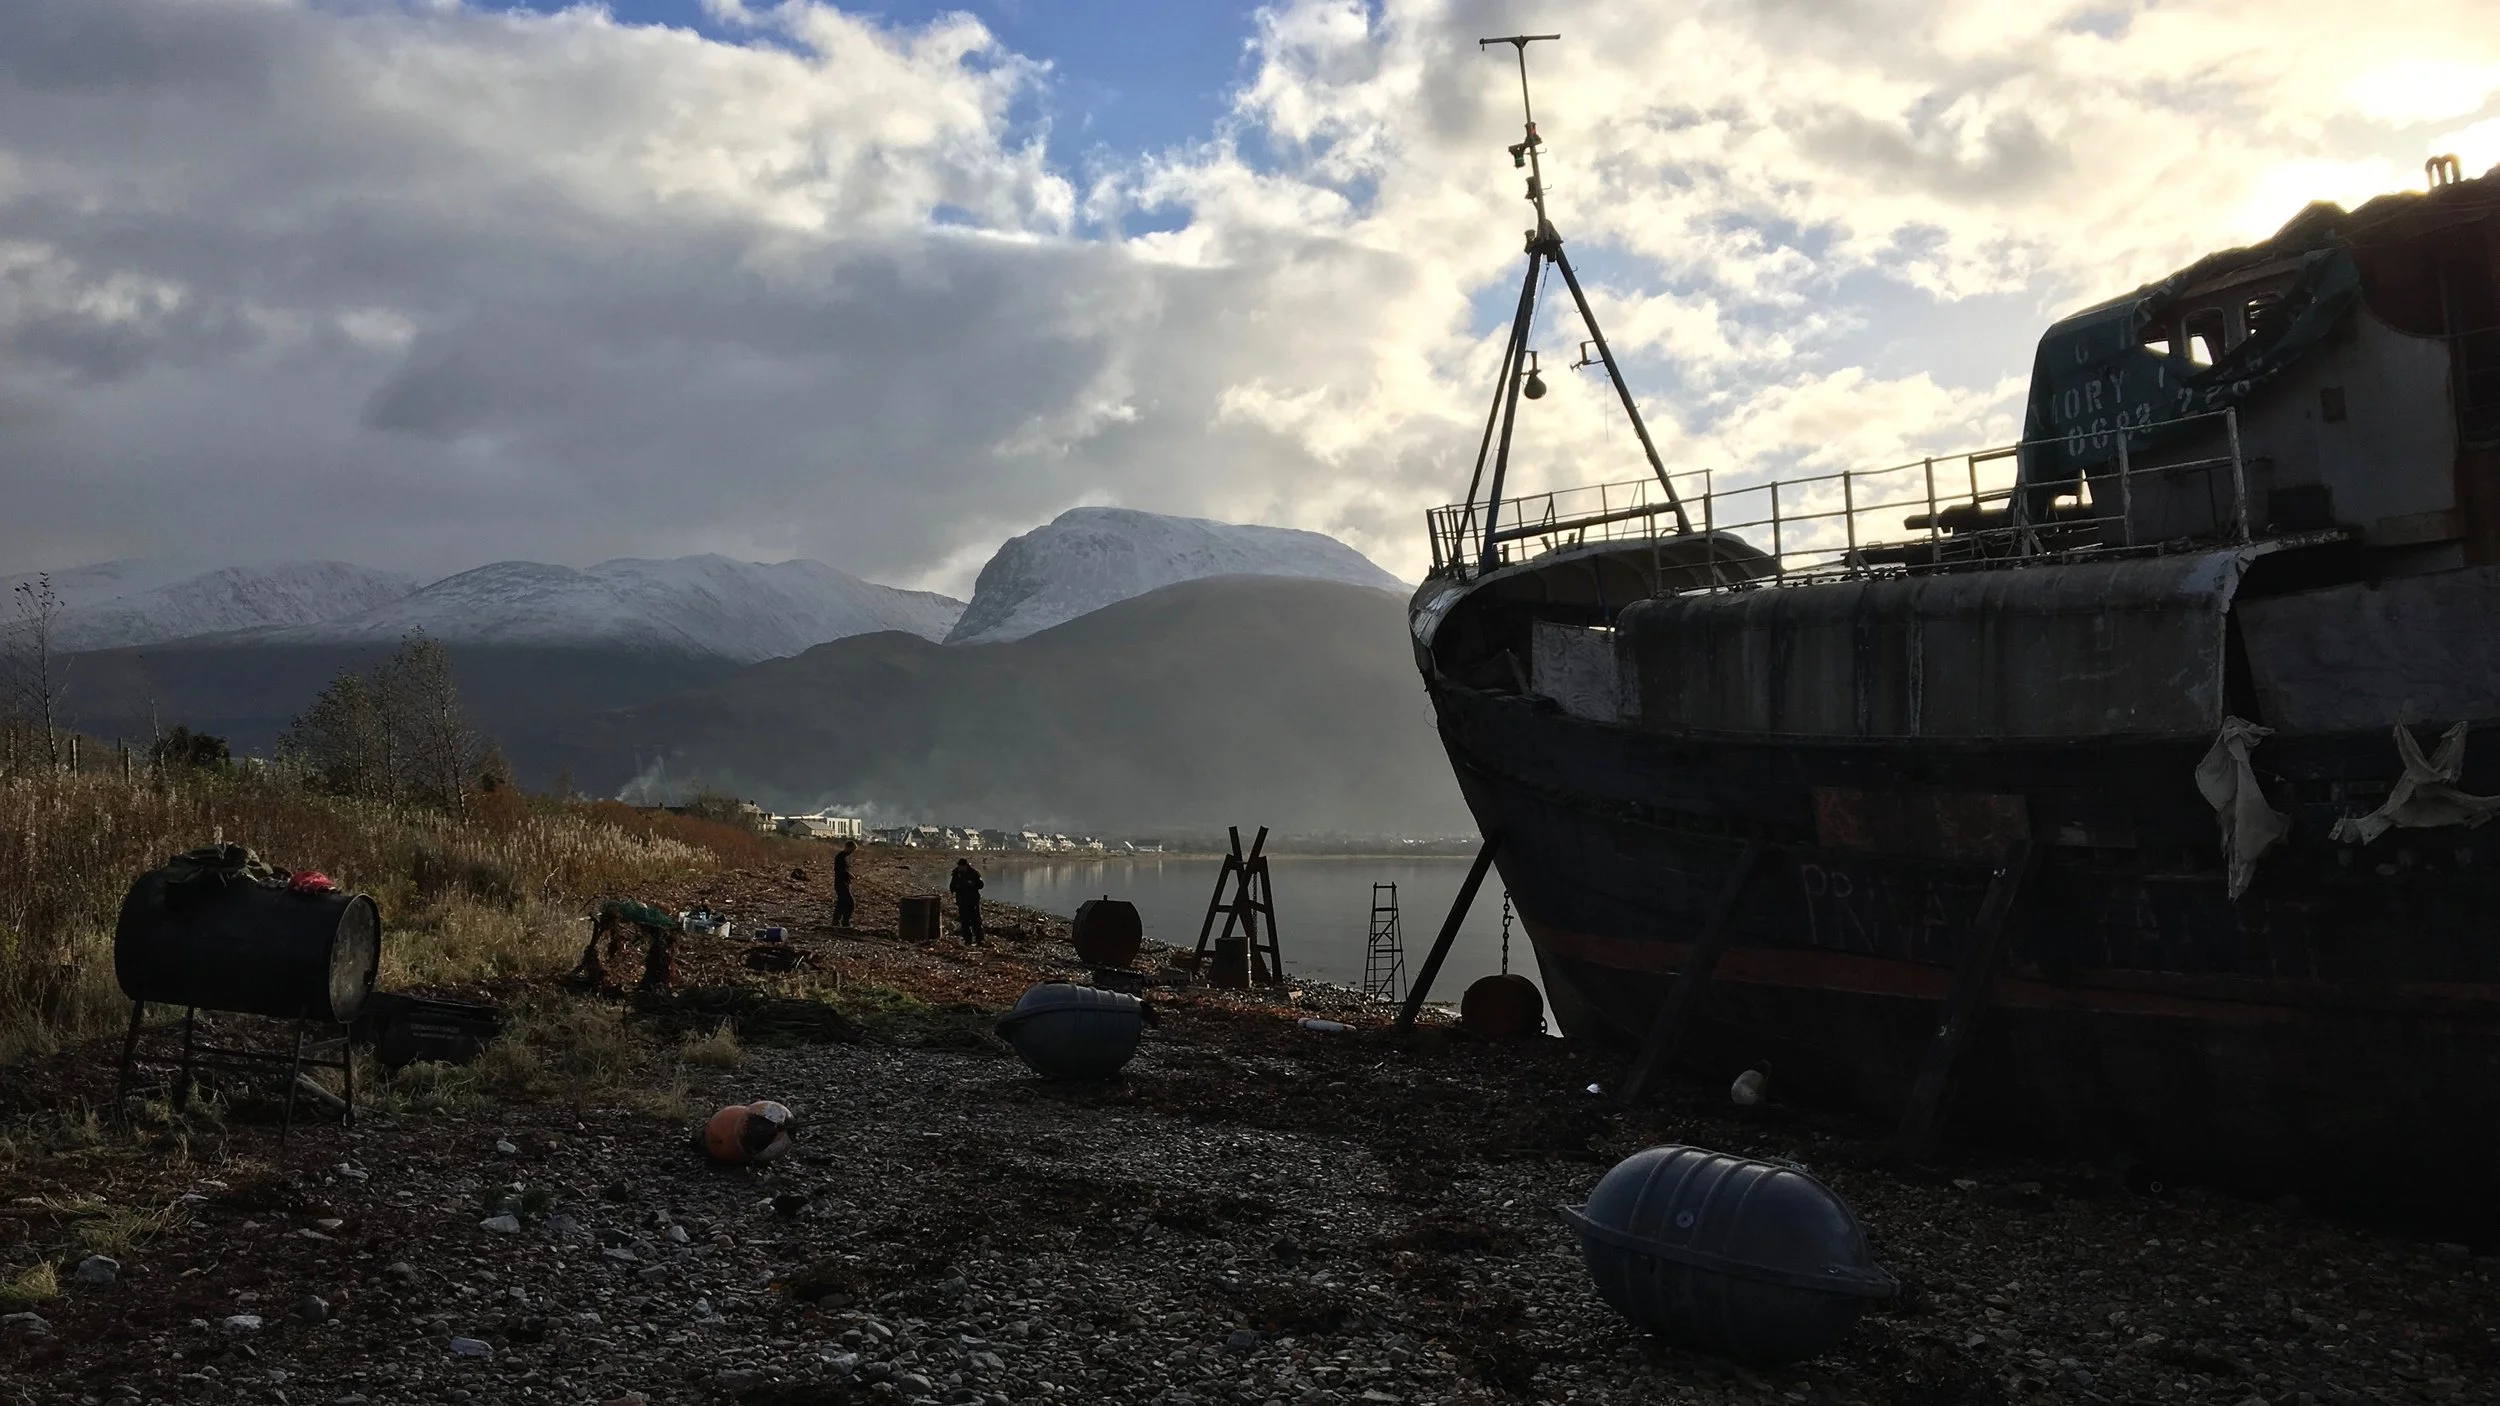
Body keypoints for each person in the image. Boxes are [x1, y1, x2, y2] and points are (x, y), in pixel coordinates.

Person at [949, 857, 985, 944]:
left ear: (965, 866)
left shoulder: (973, 873)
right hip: (962, 901)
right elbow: (952, 887)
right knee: (964, 922)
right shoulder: (956, 874)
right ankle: (967, 940)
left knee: (976, 921)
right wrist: (959, 886)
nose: (960, 868)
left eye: (962, 866)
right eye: (959, 866)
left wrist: (972, 884)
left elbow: (981, 884)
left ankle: (979, 939)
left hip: (973, 901)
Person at [832, 840, 857, 929]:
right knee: (850, 903)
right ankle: (844, 921)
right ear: (848, 847)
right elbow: (839, 870)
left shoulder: (848, 856)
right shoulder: (840, 857)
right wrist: (848, 874)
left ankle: (837, 921)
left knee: (841, 902)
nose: (853, 852)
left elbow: (847, 868)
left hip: (846, 883)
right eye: (852, 849)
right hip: (840, 883)